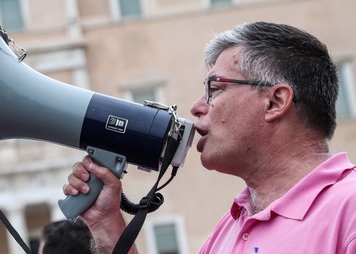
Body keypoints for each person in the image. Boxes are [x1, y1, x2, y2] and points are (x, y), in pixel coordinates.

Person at [63, 21, 356, 253]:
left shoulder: (348, 207)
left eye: (214, 90)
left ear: (275, 102)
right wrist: (107, 228)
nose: (196, 106)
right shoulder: (227, 230)